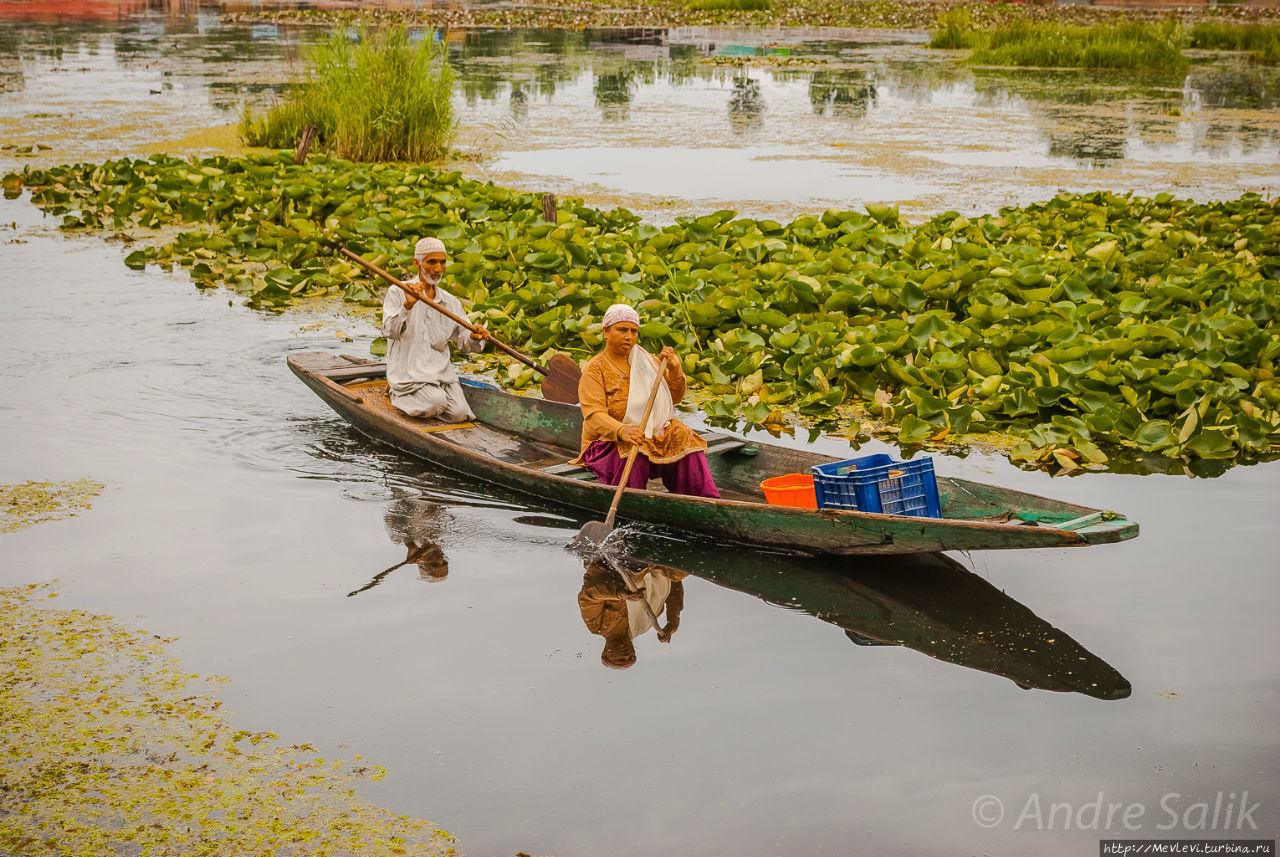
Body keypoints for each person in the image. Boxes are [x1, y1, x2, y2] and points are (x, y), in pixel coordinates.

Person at [572, 303, 720, 498]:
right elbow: (594, 416)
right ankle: (633, 504)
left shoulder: (647, 361)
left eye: (634, 331)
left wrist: (675, 371)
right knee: (635, 449)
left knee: (684, 436)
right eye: (622, 330)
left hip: (649, 434)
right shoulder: (595, 370)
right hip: (606, 443)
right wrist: (622, 431)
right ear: (606, 332)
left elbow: (672, 399)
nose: (629, 336)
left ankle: (704, 501)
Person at [381, 236, 490, 421]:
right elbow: (389, 331)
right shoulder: (398, 291)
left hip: (440, 374)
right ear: (417, 263)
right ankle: (396, 393)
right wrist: (407, 306)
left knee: (460, 414)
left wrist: (474, 336)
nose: (438, 268)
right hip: (408, 373)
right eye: (432, 262)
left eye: (442, 262)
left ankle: (425, 401)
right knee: (435, 404)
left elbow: (464, 343)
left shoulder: (450, 302)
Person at [577, 558, 686, 670]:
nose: (626, 656)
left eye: (620, 660)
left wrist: (620, 593)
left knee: (637, 566)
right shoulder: (645, 623)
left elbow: (588, 595)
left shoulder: (597, 626)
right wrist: (673, 620)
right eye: (631, 657)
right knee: (679, 572)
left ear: (605, 653)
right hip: (649, 564)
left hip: (610, 565)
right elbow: (669, 584)